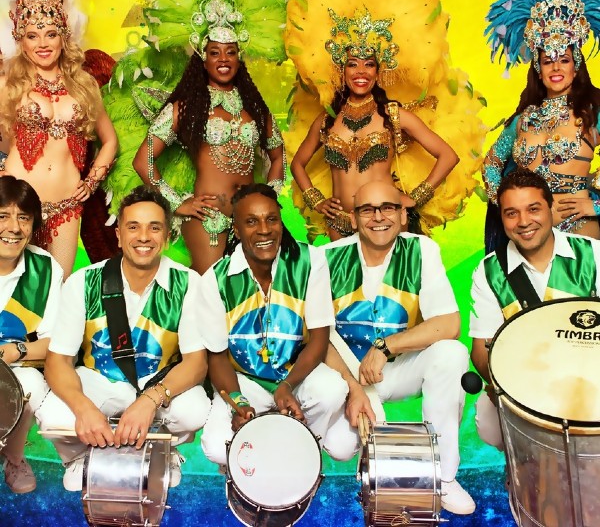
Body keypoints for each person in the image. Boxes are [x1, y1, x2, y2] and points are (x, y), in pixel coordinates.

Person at [104, 0, 290, 274]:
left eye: (230, 52)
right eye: (214, 52)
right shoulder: (186, 107)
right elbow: (143, 160)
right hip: (210, 220)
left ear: (240, 57)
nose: (223, 59)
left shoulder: (254, 105)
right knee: (214, 296)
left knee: (255, 294)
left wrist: (271, 194)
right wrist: (180, 202)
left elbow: (277, 154)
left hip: (253, 218)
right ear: (202, 58)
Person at [285, 0, 486, 241]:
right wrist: (317, 199)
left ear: (380, 71)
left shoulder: (393, 115)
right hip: (339, 227)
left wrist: (414, 198)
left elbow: (447, 155)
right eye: (353, 64)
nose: (361, 73)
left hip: (385, 225)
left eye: (369, 64)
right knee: (343, 290)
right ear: (342, 69)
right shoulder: (327, 121)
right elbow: (298, 163)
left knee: (390, 290)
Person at [37, 186, 215, 491]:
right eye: (133, 227)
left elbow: (197, 364)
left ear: (167, 236)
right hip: (100, 381)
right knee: (52, 413)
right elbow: (57, 361)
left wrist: (150, 399)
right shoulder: (84, 281)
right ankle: (78, 456)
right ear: (118, 234)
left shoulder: (189, 283)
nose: (143, 237)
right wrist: (83, 408)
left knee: (195, 409)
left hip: (158, 384)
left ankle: (165, 451)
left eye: (154, 227)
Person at [323, 180, 475, 515]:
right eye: (367, 209)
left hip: (400, 368)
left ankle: (444, 476)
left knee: (452, 353)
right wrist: (351, 387)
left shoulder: (422, 250)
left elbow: (449, 324)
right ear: (353, 218)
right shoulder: (325, 258)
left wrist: (387, 346)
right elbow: (316, 337)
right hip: (348, 376)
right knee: (340, 447)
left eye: (388, 207)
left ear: (403, 214)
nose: (378, 217)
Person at [200, 183, 355, 466]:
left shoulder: (310, 260)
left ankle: (298, 455)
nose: (264, 229)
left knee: (331, 390)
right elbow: (218, 357)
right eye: (251, 222)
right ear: (236, 230)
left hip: (296, 374)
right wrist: (239, 403)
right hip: (245, 381)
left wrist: (287, 386)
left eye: (271, 219)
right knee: (215, 448)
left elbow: (320, 338)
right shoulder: (215, 279)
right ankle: (275, 451)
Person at [0, 0, 118, 277]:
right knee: (13, 288)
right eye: (32, 35)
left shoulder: (83, 83)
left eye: (50, 34)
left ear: (63, 34)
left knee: (60, 289)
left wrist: (92, 181)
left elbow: (109, 141)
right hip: (18, 203)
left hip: (68, 205)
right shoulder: (9, 83)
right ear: (20, 39)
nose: (42, 44)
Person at [481, 0, 600, 249]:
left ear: (576, 63)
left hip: (578, 230)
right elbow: (491, 167)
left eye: (564, 59)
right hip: (527, 236)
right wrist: (511, 209)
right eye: (548, 60)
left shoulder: (594, 110)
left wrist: (596, 204)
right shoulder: (525, 118)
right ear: (538, 66)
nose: (556, 67)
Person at [470, 168, 600, 448]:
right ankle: (525, 475)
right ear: (501, 218)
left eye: (533, 209)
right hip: (526, 385)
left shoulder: (592, 255)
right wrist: (507, 387)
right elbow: (481, 349)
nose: (524, 221)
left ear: (552, 208)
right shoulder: (489, 270)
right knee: (488, 421)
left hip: (590, 381)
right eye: (511, 213)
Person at [0, 176, 63, 494]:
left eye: (23, 217)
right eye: (2, 216)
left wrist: (14, 352)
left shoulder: (45, 268)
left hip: (15, 368)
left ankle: (13, 456)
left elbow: (56, 343)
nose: (14, 228)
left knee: (33, 386)